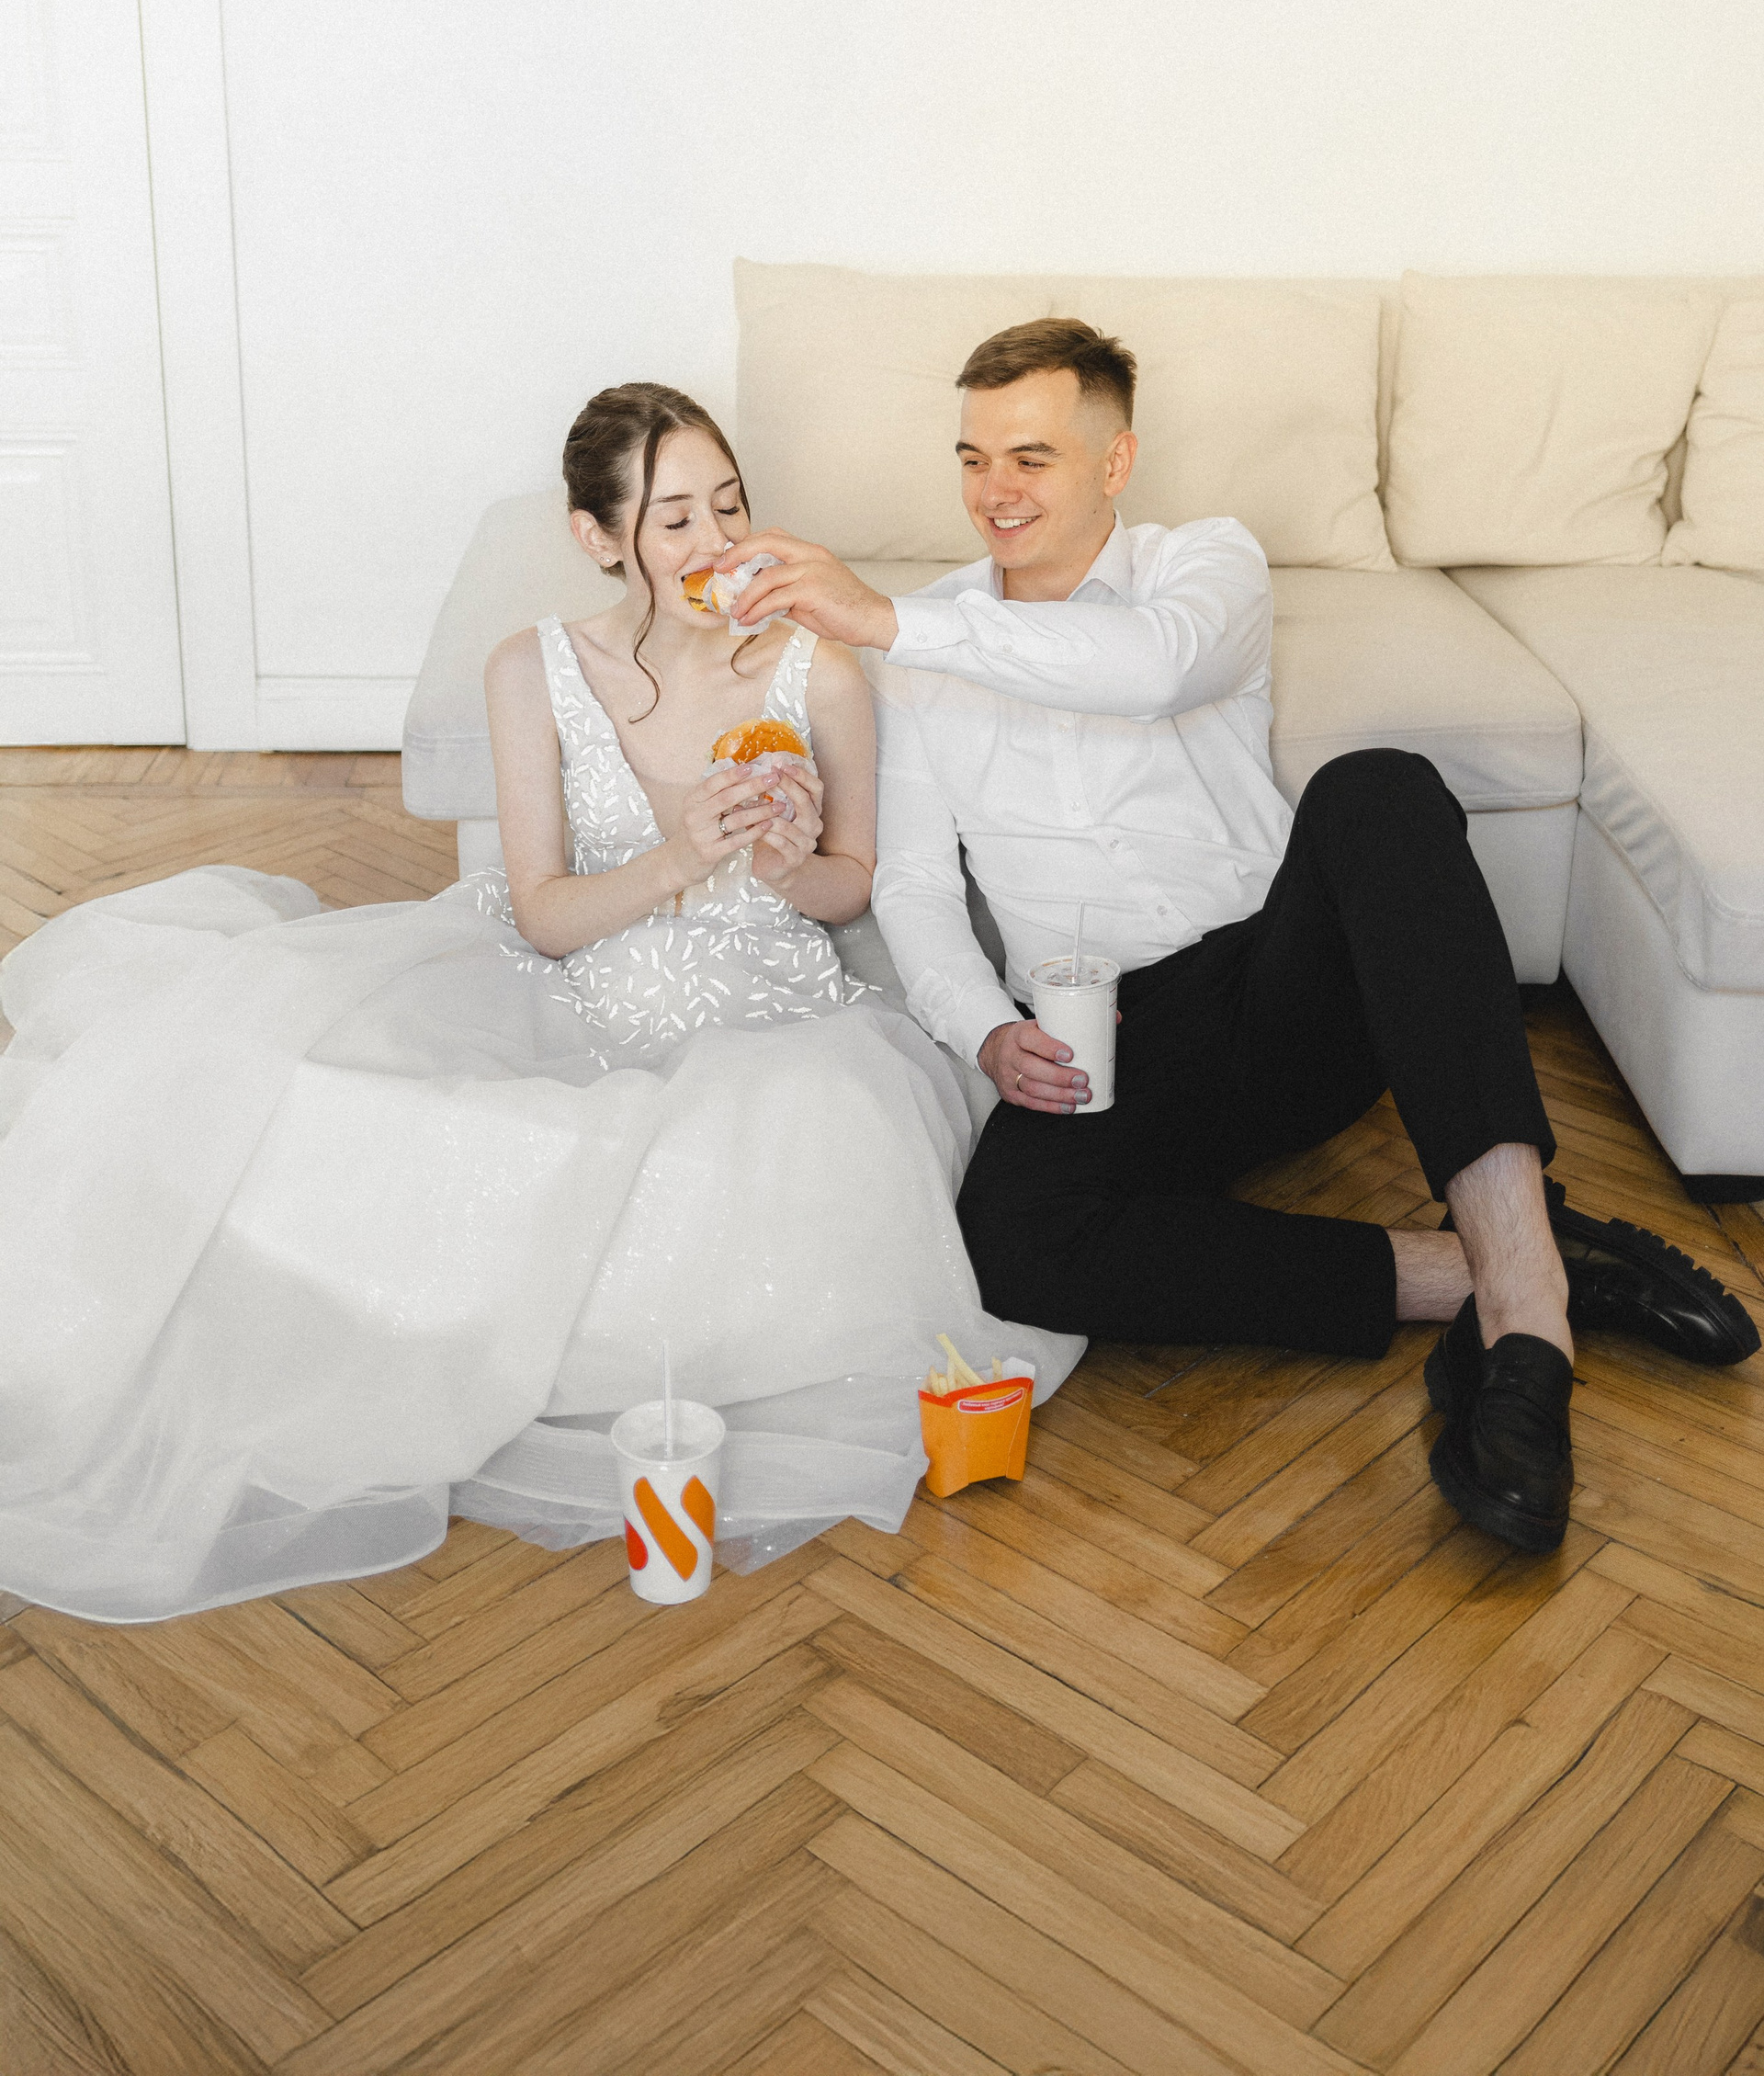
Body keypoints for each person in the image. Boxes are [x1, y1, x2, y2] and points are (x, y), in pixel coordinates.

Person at [0, 382, 1077, 1622]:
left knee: (803, 1135)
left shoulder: (816, 670)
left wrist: (786, 865)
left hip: (767, 1006)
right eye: (674, 518)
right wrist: (682, 855)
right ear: (598, 537)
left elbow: (853, 887)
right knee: (314, 1096)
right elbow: (545, 912)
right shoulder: (534, 670)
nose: (716, 543)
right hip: (567, 986)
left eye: (730, 505)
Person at [717, 319, 1758, 1555]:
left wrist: (886, 618)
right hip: (1105, 1035)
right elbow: (918, 891)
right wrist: (989, 1031)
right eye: (974, 458)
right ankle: (1507, 1265)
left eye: (1032, 457)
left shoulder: (1203, 566)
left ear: (1115, 462)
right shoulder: (918, 642)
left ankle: (1530, 1335)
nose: (995, 490)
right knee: (1011, 1239)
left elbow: (1148, 670)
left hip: (1279, 989)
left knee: (1379, 789)